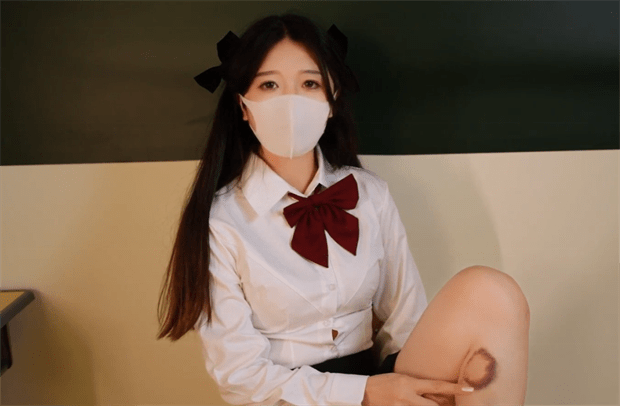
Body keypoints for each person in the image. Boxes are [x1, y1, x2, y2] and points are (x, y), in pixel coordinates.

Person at [157, 12, 530, 406]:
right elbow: (240, 377)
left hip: (381, 381)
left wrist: (409, 390)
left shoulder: (369, 194)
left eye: (309, 83)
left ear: (331, 101)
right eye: (269, 84)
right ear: (243, 106)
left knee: (492, 292)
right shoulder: (221, 220)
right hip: (289, 397)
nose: (290, 101)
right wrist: (363, 392)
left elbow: (405, 322)